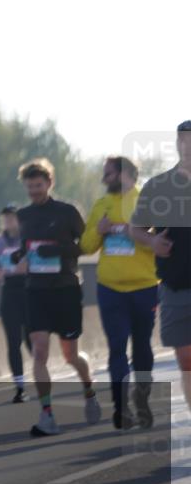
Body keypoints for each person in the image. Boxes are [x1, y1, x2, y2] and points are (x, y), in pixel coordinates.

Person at [9, 158, 101, 436]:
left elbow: (87, 247)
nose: (34, 191)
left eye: (38, 186)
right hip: (35, 290)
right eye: (29, 187)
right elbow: (22, 249)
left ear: (49, 183)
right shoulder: (22, 216)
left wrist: (59, 250)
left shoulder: (67, 212)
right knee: (39, 351)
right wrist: (19, 257)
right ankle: (47, 414)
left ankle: (89, 389)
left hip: (66, 289)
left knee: (70, 354)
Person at [80, 157, 159, 430]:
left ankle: (142, 399)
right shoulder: (102, 205)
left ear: (126, 174)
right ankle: (120, 407)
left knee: (142, 349)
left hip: (145, 287)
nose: (104, 179)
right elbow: (86, 246)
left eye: (109, 174)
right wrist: (100, 231)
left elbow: (160, 244)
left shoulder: (146, 202)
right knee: (116, 348)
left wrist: (135, 233)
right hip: (110, 289)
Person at [130, 121, 191, 416]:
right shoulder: (159, 186)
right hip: (175, 285)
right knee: (186, 359)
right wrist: (152, 241)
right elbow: (136, 229)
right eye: (185, 140)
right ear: (178, 143)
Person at [0, 204, 31, 403]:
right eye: (5, 219)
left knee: (31, 338)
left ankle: (41, 372)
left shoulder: (27, 237)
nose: (8, 222)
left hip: (28, 289)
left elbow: (33, 264)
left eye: (11, 218)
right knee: (13, 341)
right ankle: (20, 386)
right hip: (9, 292)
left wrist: (21, 269)